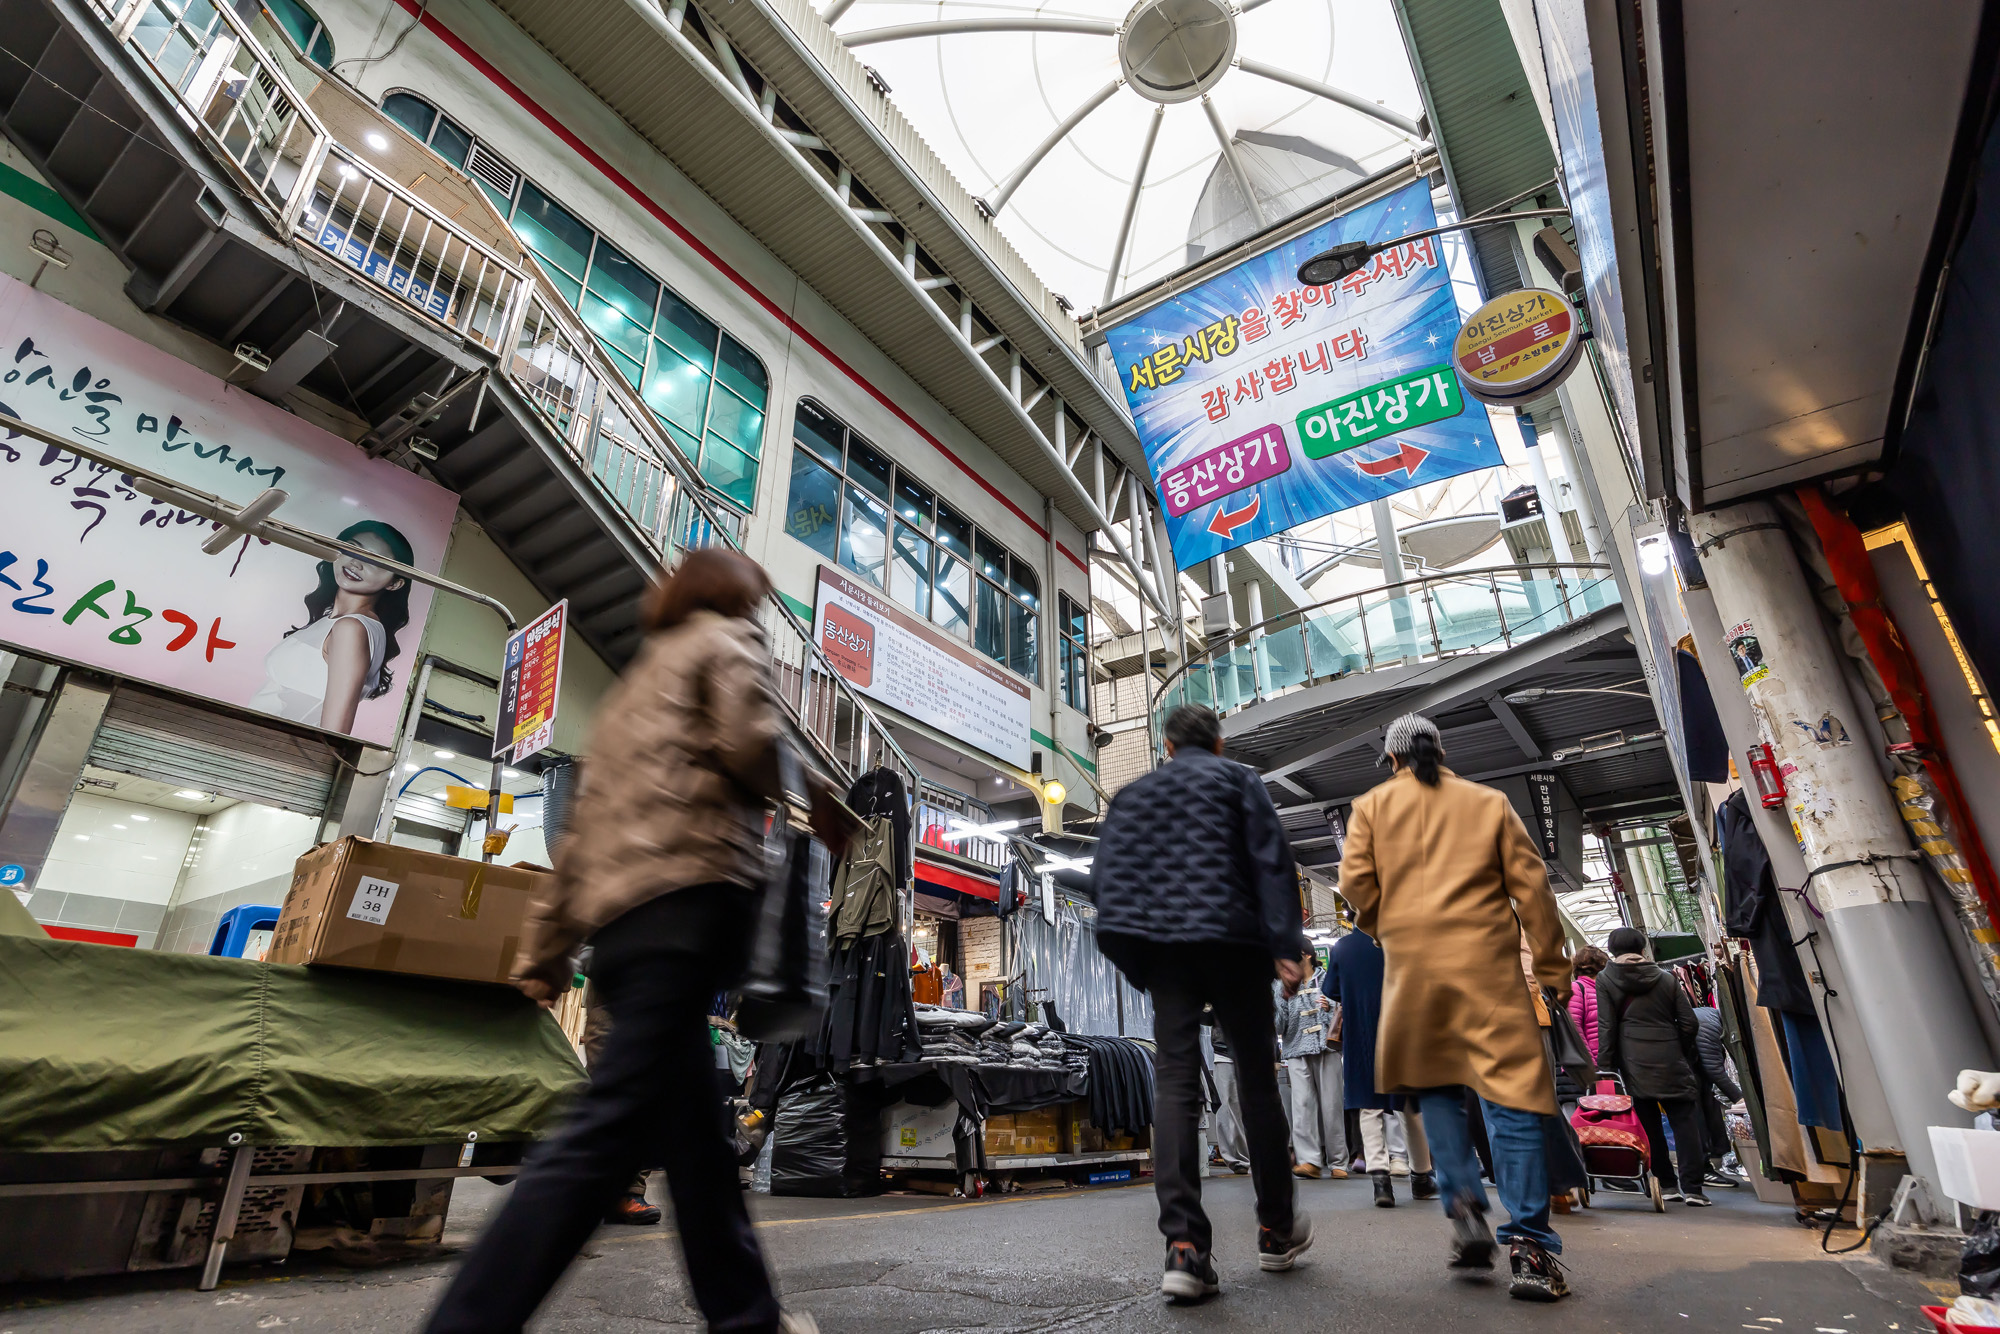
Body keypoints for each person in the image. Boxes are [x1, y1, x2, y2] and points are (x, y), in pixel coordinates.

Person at [423, 549, 837, 1334]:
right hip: (689, 908)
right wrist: (809, 791)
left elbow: (577, 847)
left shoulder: (627, 697)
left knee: (698, 1146)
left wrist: (545, 955)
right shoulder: (728, 642)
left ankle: (747, 1316)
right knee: (604, 1138)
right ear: (738, 598)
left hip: (623, 933)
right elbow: (749, 739)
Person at [1337, 713, 1574, 1303]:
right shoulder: (1487, 803)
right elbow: (1532, 887)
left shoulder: (1370, 806)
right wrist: (1552, 969)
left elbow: (1356, 887)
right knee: (1510, 1102)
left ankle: (1464, 1200)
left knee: (1436, 1092)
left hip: (1413, 976)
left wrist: (1387, 927)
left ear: (1392, 760)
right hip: (1488, 972)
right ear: (1440, 751)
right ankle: (1530, 1249)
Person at [1091, 703, 1314, 1303]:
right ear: (1218, 744)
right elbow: (1272, 862)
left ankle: (1185, 1248)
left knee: (1175, 1084)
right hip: (1237, 947)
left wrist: (1141, 964)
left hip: (1168, 955)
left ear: (1166, 747)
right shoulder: (1240, 780)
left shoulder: (1134, 795)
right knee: (1257, 1083)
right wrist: (1287, 948)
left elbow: (1107, 883)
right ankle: (1275, 1230)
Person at [250, 520, 413, 734]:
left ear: (394, 583)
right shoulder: (335, 621)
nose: (356, 563)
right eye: (353, 548)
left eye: (376, 562)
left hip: (274, 751)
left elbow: (335, 731)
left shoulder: (351, 628)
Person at [1596, 926, 1709, 1207]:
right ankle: (1694, 1189)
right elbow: (1689, 1023)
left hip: (1633, 1062)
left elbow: (1607, 1026)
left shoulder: (1606, 979)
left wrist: (1606, 1066)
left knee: (1649, 1126)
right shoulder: (1665, 978)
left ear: (1612, 950)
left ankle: (1667, 1184)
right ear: (1643, 948)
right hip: (1671, 1057)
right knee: (1685, 1123)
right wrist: (1678, 1048)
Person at [1325, 925, 1435, 1207]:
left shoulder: (1343, 947)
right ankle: (1421, 1177)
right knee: (1409, 1105)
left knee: (1368, 1106)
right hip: (1400, 1032)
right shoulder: (1401, 939)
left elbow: (1332, 990)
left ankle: (1381, 1182)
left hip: (1361, 1032)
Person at [1275, 950, 1348, 1179]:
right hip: (1296, 1049)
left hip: (1327, 1047)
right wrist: (1281, 1003)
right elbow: (1278, 1026)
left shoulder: (1328, 980)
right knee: (1302, 1106)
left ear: (1306, 955)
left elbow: (1341, 1014)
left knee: (1332, 1105)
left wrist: (1327, 1010)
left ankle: (1338, 1162)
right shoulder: (1281, 985)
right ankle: (1309, 1161)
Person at [1693, 1001, 1743, 1187]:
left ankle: (1719, 1149)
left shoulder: (1709, 1016)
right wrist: (1741, 1099)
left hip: (1690, 1069)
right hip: (1682, 1072)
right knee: (1695, 1109)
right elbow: (1714, 1069)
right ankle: (1703, 1168)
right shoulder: (1709, 1025)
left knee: (1707, 1099)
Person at [1568, 945, 1609, 1061]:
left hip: (1607, 1062)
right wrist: (1590, 1064)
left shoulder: (1603, 989)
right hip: (1593, 1065)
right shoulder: (1576, 988)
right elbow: (1574, 1027)